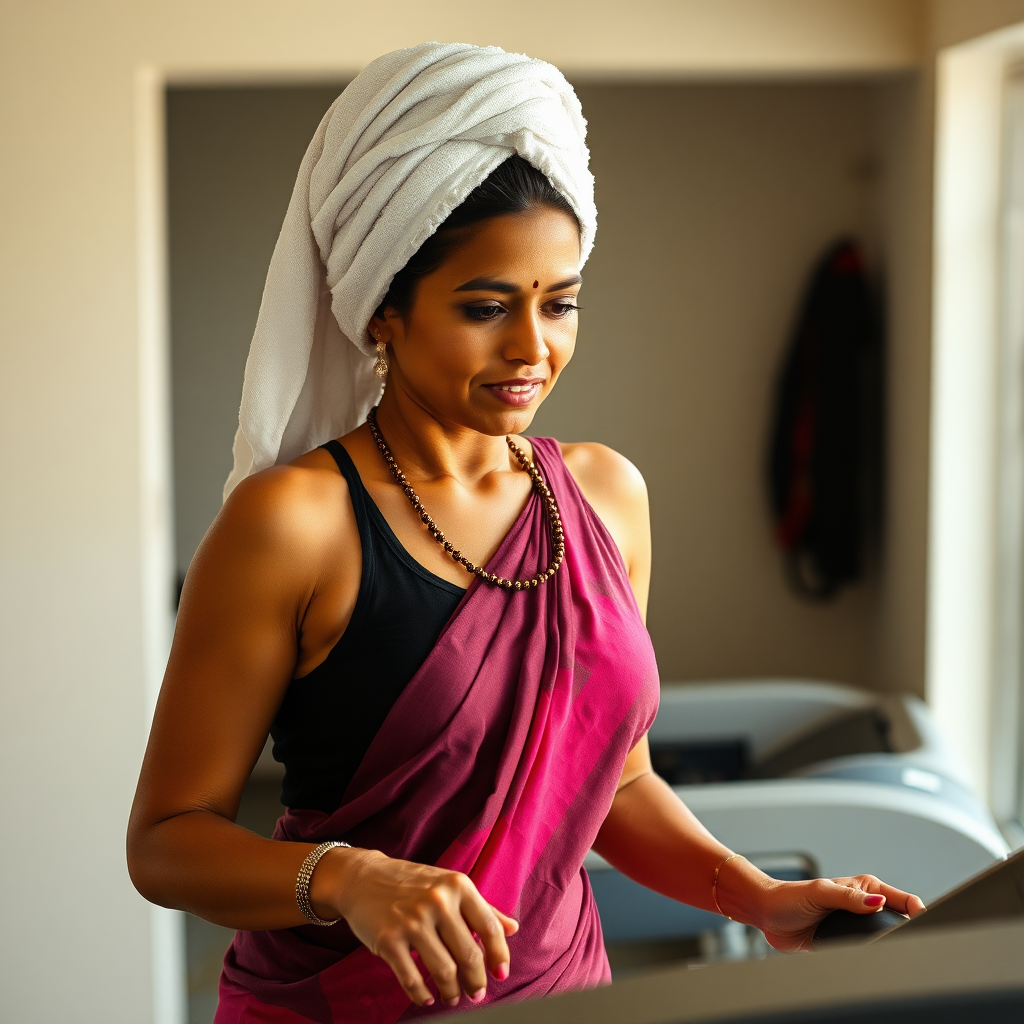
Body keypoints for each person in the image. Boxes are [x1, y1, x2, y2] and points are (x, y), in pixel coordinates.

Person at [127, 42, 924, 1023]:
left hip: (562, 995)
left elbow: (615, 780)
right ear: (381, 311)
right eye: (484, 307)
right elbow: (166, 840)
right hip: (341, 1006)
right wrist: (347, 878)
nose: (531, 349)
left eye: (560, 303)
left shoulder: (604, 493)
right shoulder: (294, 523)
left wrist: (756, 896)